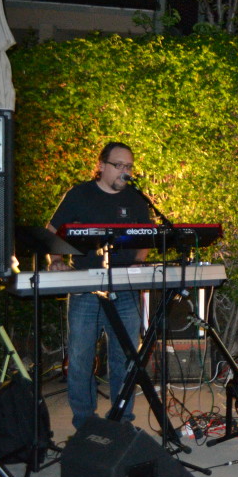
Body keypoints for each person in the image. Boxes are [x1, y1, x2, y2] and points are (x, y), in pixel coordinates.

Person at [47, 141, 151, 430]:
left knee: (125, 357)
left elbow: (146, 236)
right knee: (81, 357)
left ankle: (122, 420)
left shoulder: (136, 198)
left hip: (125, 287)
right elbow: (52, 230)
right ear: (101, 166)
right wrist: (56, 259)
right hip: (85, 286)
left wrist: (139, 262)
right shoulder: (79, 194)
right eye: (119, 165)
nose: (125, 172)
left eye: (129, 166)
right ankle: (84, 423)